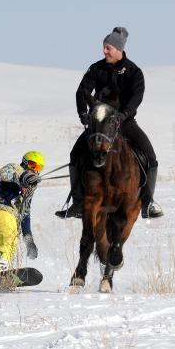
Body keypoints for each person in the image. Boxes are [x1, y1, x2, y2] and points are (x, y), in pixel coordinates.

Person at [55, 27, 163, 219]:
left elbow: (137, 97)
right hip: (99, 122)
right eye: (104, 48)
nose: (104, 51)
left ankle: (147, 203)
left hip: (124, 122)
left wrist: (124, 114)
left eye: (108, 48)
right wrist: (83, 114)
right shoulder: (96, 68)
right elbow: (82, 92)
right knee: (76, 153)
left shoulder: (134, 72)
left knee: (150, 157)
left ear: (118, 49)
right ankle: (78, 202)